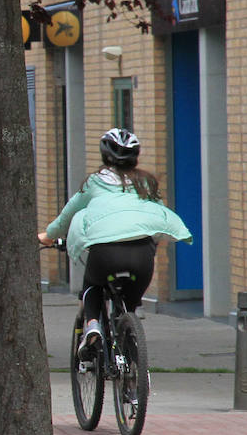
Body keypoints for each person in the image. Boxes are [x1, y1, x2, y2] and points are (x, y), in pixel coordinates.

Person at [38, 128, 191, 358]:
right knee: (130, 303)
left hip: (104, 254)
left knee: (92, 284)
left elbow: (67, 216)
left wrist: (48, 236)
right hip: (142, 257)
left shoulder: (94, 183)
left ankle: (92, 326)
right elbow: (157, 217)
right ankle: (129, 343)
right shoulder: (146, 183)